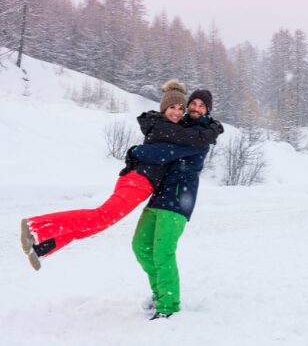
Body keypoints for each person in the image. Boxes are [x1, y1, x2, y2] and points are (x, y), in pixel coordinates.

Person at [20, 80, 222, 270]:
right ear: (163, 108)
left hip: (140, 182)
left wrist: (209, 129)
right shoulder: (165, 127)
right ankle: (36, 227)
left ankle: (44, 246)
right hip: (139, 180)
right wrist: (212, 130)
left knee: (99, 223)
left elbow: (184, 140)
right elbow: (170, 149)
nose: (177, 112)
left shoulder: (172, 128)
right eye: (172, 108)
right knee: (100, 217)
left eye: (180, 108)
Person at [131, 88, 218, 320]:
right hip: (158, 196)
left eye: (202, 105)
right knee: (140, 246)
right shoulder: (181, 127)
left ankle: (168, 304)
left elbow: (164, 151)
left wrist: (138, 151)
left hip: (179, 199)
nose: (196, 108)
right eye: (194, 103)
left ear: (207, 110)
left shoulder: (201, 135)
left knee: (162, 252)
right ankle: (160, 293)